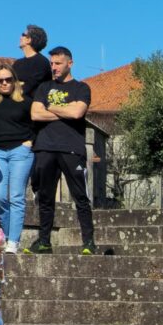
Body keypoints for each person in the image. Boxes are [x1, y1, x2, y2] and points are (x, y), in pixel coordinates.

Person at [26, 46, 95, 255]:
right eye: (52, 64)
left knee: (80, 197)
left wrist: (51, 108)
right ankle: (44, 241)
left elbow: (77, 113)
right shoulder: (44, 87)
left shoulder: (82, 88)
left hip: (71, 148)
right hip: (45, 147)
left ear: (69, 63)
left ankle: (89, 242)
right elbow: (35, 114)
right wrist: (64, 110)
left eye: (58, 63)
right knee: (45, 197)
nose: (54, 67)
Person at [0, 69, 37, 251]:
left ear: (14, 80)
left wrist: (30, 142)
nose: (4, 83)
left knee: (16, 196)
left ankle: (13, 241)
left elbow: (38, 124)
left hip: (20, 152)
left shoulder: (26, 101)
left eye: (8, 79)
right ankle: (7, 233)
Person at [9, 25, 52, 90]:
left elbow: (30, 86)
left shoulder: (41, 62)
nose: (20, 37)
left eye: (23, 35)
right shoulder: (17, 63)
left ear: (29, 40)